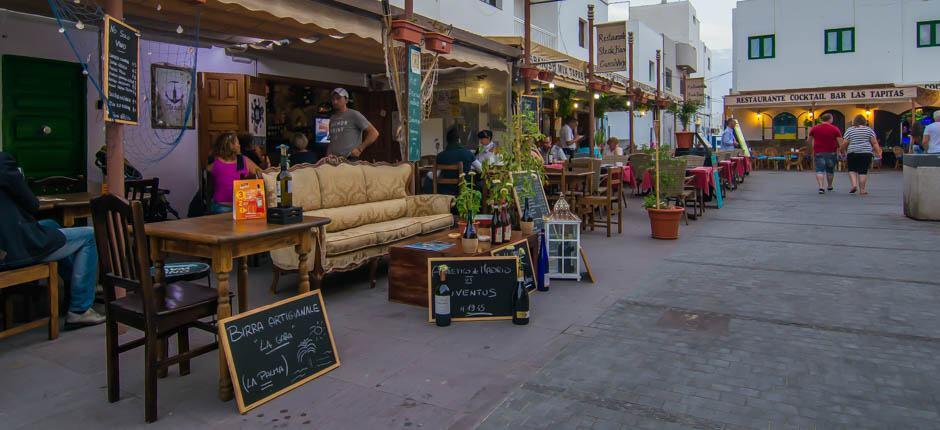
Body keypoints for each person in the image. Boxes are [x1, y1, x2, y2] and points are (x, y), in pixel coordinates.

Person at [0, 152, 104, 329]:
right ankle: (79, 310)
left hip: (5, 245)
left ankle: (72, 287)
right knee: (90, 235)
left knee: (51, 224)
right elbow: (32, 204)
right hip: (14, 249)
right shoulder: (3, 163)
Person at [207, 132, 262, 214]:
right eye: (237, 143)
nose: (239, 145)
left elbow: (207, 176)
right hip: (240, 206)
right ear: (231, 146)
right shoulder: (243, 160)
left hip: (219, 206)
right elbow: (261, 174)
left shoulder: (214, 163)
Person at [327, 88, 379, 160]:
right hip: (334, 160)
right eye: (333, 99)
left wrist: (360, 149)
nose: (335, 101)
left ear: (346, 100)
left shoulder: (354, 114)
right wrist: (327, 156)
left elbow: (374, 133)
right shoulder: (332, 118)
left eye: (338, 98)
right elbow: (331, 141)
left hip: (350, 159)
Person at [427, 126, 477, 195]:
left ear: (447, 141)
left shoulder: (440, 156)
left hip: (445, 191)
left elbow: (433, 175)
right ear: (459, 140)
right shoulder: (468, 153)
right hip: (465, 190)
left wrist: (428, 174)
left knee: (428, 180)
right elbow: (481, 169)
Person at [842, 115, 880, 195]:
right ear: (864, 121)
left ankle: (854, 185)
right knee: (863, 171)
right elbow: (874, 142)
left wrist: (842, 150)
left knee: (852, 169)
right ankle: (862, 190)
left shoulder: (850, 130)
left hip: (852, 152)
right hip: (866, 153)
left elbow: (845, 142)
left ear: (854, 121)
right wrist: (878, 152)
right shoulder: (869, 130)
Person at [808, 113, 844, 194]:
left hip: (818, 151)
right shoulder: (835, 129)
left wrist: (810, 149)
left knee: (819, 170)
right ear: (830, 119)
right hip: (831, 152)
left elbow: (809, 141)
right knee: (830, 170)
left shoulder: (814, 128)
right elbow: (841, 142)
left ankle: (821, 187)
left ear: (821, 120)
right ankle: (830, 185)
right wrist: (842, 151)